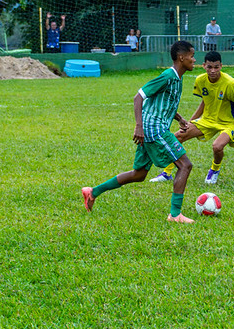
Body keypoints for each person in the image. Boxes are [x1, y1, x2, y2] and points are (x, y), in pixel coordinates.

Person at [82, 41, 197, 223]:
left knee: (139, 174)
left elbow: (164, 103)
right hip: (154, 129)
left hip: (153, 129)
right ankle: (175, 215)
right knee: (185, 165)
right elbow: (139, 97)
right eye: (191, 56)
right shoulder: (167, 76)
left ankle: (93, 191)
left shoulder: (177, 78)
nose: (194, 60)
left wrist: (179, 119)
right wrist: (139, 126)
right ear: (181, 58)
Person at [149, 51, 234, 185]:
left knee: (217, 147)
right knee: (177, 137)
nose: (213, 71)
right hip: (207, 120)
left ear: (221, 66)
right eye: (209, 67)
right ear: (203, 66)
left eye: (216, 67)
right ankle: (167, 173)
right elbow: (205, 101)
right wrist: (190, 122)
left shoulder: (230, 84)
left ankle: (214, 170)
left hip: (229, 123)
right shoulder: (200, 80)